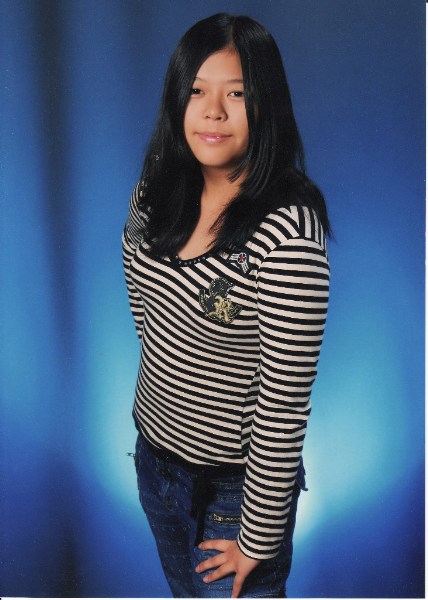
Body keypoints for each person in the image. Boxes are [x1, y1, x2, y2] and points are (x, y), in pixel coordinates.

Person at [122, 13, 330, 598]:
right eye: (198, 91)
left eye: (236, 94)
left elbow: (283, 405)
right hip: (155, 463)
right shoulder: (155, 192)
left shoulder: (286, 235)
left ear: (266, 105)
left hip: (234, 496)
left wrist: (256, 539)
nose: (213, 111)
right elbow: (148, 317)